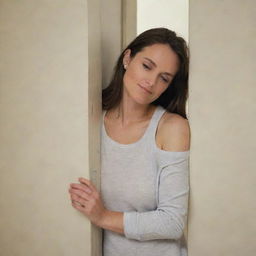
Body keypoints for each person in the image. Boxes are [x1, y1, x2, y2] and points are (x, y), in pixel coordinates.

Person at [68, 27, 190, 256]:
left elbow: (173, 222)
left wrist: (103, 216)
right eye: (147, 66)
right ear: (127, 58)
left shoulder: (171, 128)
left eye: (163, 78)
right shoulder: (92, 118)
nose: (151, 82)